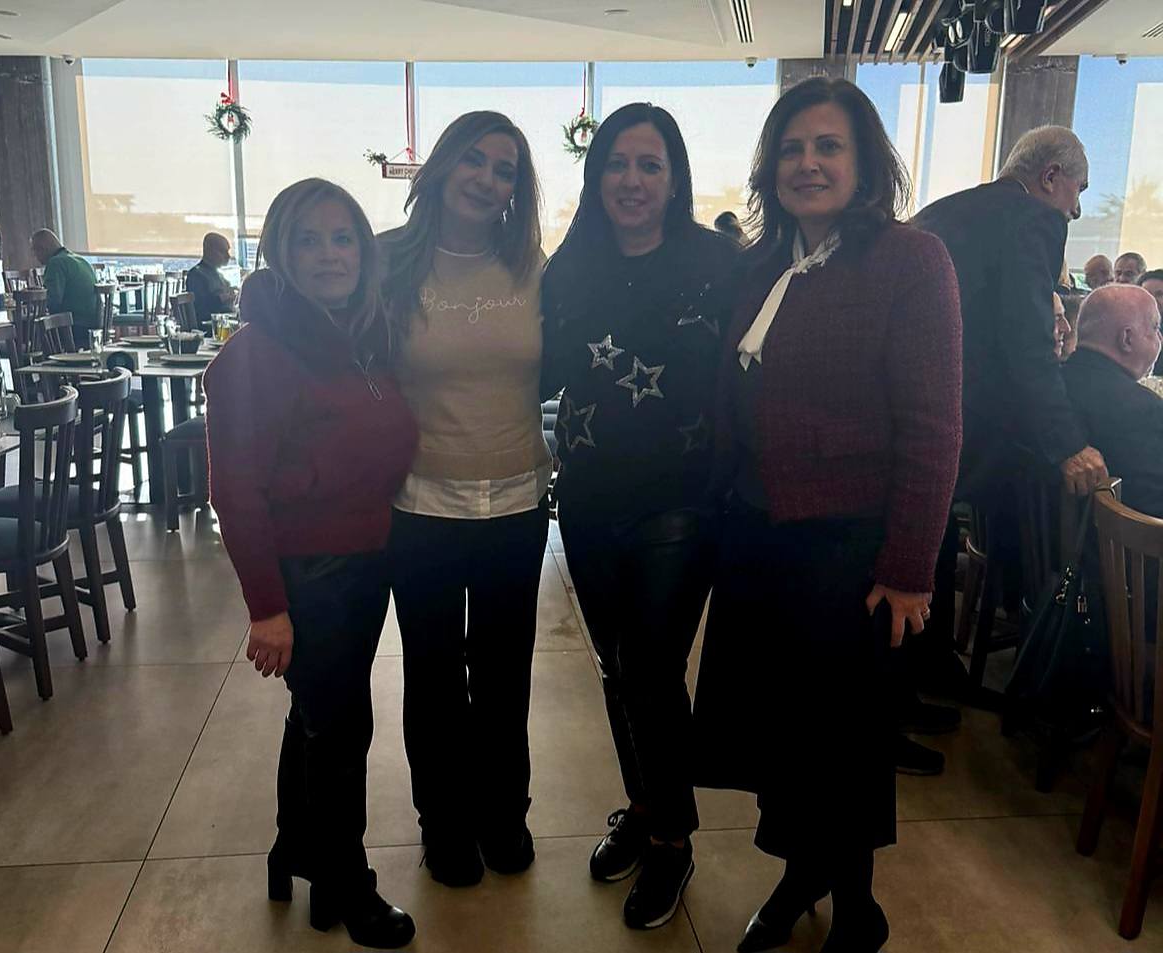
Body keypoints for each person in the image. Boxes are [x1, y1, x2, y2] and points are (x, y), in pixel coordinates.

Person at [695, 77, 962, 953]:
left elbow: (934, 426)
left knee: (839, 744)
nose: (807, 164)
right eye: (792, 148)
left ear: (866, 163)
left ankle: (858, 909)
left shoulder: (911, 261)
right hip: (757, 535)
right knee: (782, 738)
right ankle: (800, 873)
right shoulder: (762, 264)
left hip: (848, 551)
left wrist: (909, 568)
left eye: (828, 146)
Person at [204, 178, 418, 949]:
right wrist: (267, 606)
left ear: (364, 249)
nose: (330, 255)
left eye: (343, 238)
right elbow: (235, 490)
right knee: (342, 725)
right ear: (279, 253)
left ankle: (297, 848)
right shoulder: (255, 354)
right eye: (309, 240)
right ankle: (346, 880)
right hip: (311, 572)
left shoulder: (358, 336)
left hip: (365, 561)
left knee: (319, 717)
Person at [540, 103, 739, 930]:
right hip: (589, 498)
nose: (631, 180)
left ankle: (672, 839)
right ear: (596, 178)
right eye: (617, 164)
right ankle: (647, 803)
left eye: (649, 164)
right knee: (618, 667)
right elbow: (536, 370)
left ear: (675, 178)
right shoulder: (569, 265)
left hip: (681, 503)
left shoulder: (719, 262)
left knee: (652, 669)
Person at [379, 111, 552, 889]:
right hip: (419, 505)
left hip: (518, 501)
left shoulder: (533, 267)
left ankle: (503, 810)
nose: (487, 178)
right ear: (443, 166)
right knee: (435, 674)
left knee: (506, 672)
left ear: (517, 188)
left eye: (504, 169)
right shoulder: (389, 262)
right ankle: (444, 820)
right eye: (474, 160)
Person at [913, 126, 1106, 701]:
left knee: (933, 530)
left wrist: (1048, 305)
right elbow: (1024, 345)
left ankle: (935, 663)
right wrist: (1068, 443)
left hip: (910, 407)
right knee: (1050, 497)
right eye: (1078, 190)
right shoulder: (1033, 219)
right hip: (962, 418)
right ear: (1049, 177)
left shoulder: (942, 211)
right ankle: (1051, 655)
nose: (1076, 208)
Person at [1061, 284, 1163, 517]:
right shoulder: (1145, 409)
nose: (1160, 339)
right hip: (1116, 539)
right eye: (1155, 328)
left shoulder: (1046, 393)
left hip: (1032, 537)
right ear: (1127, 338)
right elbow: (1153, 509)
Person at [31, 228, 99, 347]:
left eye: (35, 250)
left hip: (74, 327)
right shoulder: (81, 260)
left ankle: (36, 358)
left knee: (30, 331)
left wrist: (34, 299)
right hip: (93, 325)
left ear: (43, 248)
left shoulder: (55, 263)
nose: (35, 256)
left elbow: (53, 302)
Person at [186, 232, 237, 331]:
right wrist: (223, 298)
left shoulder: (218, 274)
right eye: (223, 252)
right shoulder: (196, 275)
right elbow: (200, 307)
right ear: (210, 251)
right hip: (209, 327)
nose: (228, 256)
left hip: (223, 322)